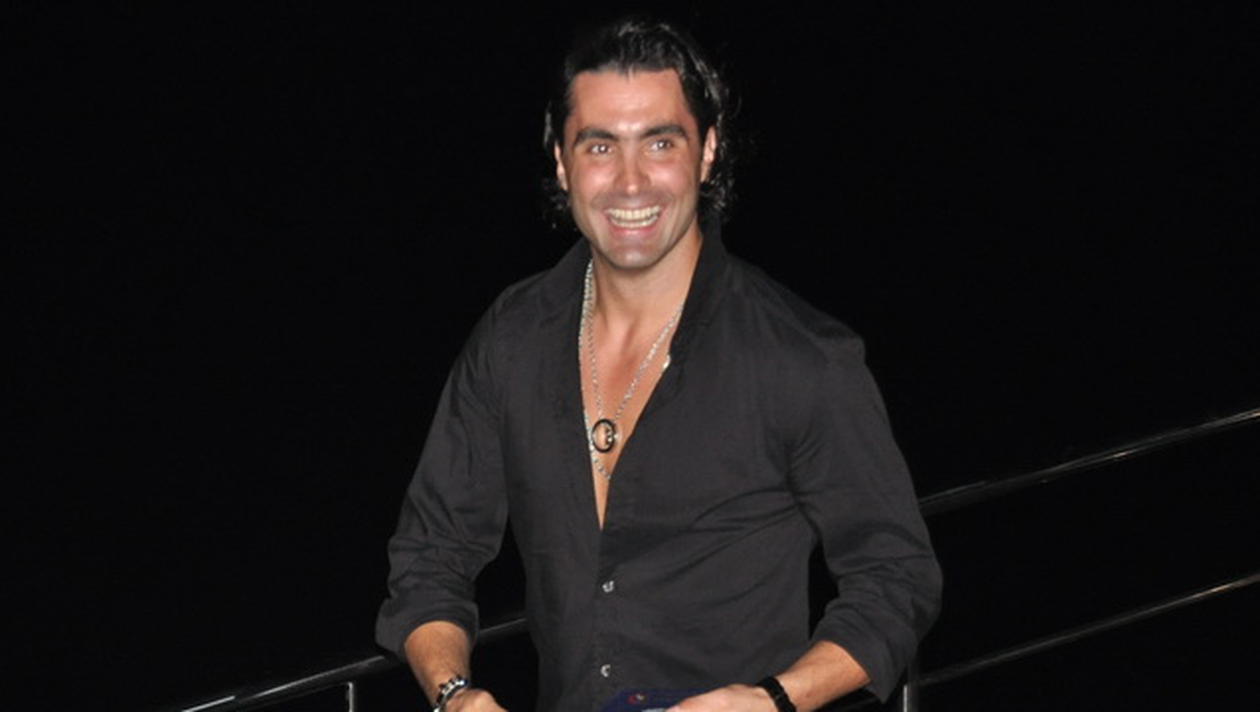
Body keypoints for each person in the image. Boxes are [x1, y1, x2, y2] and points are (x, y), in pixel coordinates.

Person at [377, 17, 941, 712]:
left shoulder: (800, 357)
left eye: (660, 142)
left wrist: (771, 700)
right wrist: (455, 693)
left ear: (708, 152)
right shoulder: (511, 338)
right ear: (561, 162)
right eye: (600, 145)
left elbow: (896, 578)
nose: (630, 181)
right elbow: (431, 554)